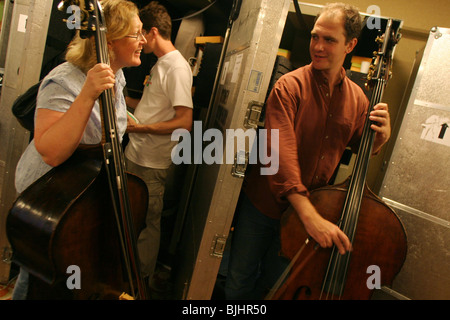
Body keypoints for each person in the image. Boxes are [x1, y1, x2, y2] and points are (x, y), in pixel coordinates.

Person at [224, 3, 392, 299]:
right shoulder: (288, 86)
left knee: (281, 285)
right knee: (240, 279)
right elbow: (281, 152)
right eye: (316, 37)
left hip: (312, 210)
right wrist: (308, 214)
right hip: (266, 206)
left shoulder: (358, 99)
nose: (318, 46)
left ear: (350, 45)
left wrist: (381, 138)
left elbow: (359, 147)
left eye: (329, 40)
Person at [12, 0, 146, 299]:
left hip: (80, 193)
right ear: (109, 42)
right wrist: (87, 93)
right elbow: (51, 151)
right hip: (50, 196)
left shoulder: (118, 75)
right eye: (136, 34)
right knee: (41, 273)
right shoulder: (64, 80)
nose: (143, 41)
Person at [124, 1, 193, 289]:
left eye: (141, 34)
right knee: (130, 219)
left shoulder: (177, 67)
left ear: (153, 32)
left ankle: (139, 284)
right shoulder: (160, 64)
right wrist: (121, 100)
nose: (139, 41)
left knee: (146, 224)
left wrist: (141, 127)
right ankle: (124, 276)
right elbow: (151, 106)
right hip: (135, 154)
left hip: (151, 163)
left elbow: (184, 121)